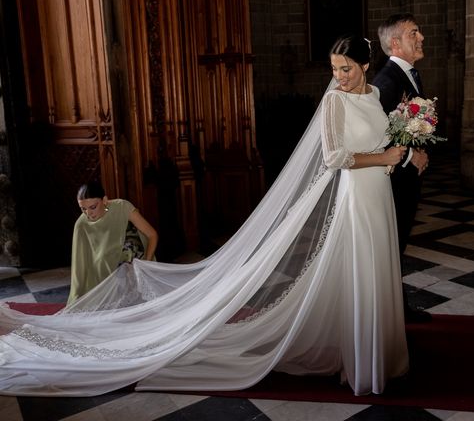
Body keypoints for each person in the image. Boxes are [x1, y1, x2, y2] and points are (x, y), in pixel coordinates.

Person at [0, 35, 409, 397]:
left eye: (347, 69)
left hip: (379, 192)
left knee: (378, 269)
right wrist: (385, 156)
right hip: (356, 196)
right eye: (335, 69)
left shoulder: (373, 96)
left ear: (366, 65)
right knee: (360, 270)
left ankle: (382, 356)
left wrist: (401, 155)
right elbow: (334, 156)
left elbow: (381, 142)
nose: (340, 77)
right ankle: (362, 365)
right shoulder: (334, 101)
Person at [373, 13, 432, 322]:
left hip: (406, 178)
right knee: (391, 247)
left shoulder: (411, 75)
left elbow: (407, 125)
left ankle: (394, 309)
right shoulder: (385, 81)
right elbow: (374, 136)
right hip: (393, 179)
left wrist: (420, 147)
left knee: (397, 246)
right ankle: (392, 314)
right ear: (395, 43)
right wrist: (410, 157)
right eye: (413, 33)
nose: (421, 37)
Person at [68, 182, 158, 303]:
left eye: (93, 207)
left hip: (133, 259)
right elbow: (79, 264)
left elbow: (152, 235)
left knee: (127, 251)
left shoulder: (122, 207)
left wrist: (146, 265)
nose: (88, 213)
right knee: (101, 260)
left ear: (104, 200)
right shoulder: (81, 224)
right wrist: (76, 296)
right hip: (106, 268)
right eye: (83, 209)